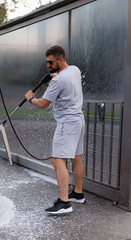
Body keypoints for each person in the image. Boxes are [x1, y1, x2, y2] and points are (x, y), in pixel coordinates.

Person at [25, 45, 86, 215]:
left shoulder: (58, 81)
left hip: (67, 124)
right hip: (79, 120)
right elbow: (64, 77)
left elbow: (43, 104)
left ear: (60, 60)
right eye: (47, 62)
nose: (48, 65)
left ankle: (64, 203)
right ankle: (78, 194)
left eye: (51, 62)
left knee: (57, 160)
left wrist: (30, 99)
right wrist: (56, 74)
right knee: (76, 157)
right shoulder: (74, 70)